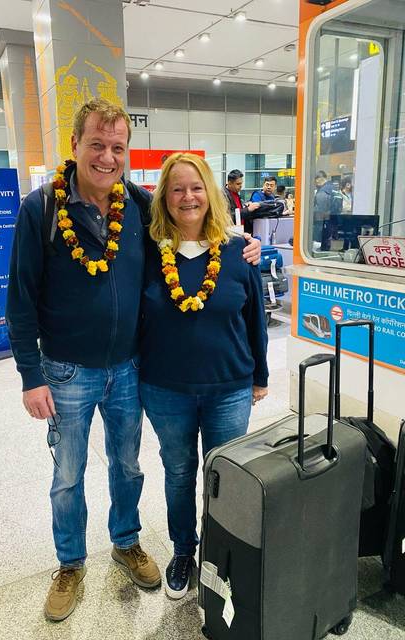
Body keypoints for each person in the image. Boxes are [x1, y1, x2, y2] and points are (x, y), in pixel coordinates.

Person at [5, 97, 262, 621]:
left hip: (129, 370)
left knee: (128, 465)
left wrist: (240, 241)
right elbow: (20, 298)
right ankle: (70, 564)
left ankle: (126, 542)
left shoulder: (140, 206)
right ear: (74, 145)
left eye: (117, 147)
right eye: (96, 144)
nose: (106, 157)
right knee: (69, 475)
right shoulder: (43, 209)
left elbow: (190, 219)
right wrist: (31, 377)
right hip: (67, 371)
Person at [139, 152, 269, 600]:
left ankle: (220, 553)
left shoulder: (238, 252)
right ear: (164, 198)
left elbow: (255, 320)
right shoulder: (147, 252)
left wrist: (261, 377)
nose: (187, 196)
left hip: (229, 389)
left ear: (210, 193)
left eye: (195, 187)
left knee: (224, 477)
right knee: (178, 473)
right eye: (176, 188)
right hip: (165, 389)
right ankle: (183, 551)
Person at [222, 169, 261, 233]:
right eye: (238, 184)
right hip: (231, 232)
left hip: (240, 230)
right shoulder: (223, 196)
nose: (241, 186)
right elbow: (227, 217)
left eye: (241, 183)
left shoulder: (236, 193)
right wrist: (247, 210)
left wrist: (246, 205)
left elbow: (237, 209)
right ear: (229, 183)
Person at [313, 170, 342, 243]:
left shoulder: (323, 191)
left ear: (319, 179)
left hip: (324, 224)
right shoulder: (335, 189)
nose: (315, 183)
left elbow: (320, 211)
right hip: (335, 222)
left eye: (315, 180)